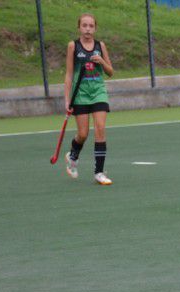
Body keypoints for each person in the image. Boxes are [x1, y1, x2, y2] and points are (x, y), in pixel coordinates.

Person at [63, 13, 114, 185]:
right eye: (84, 25)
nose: (87, 29)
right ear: (79, 27)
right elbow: (69, 75)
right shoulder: (73, 46)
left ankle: (99, 172)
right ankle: (73, 155)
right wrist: (67, 100)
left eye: (91, 26)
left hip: (98, 92)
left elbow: (110, 72)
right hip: (80, 95)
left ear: (95, 28)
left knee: (100, 128)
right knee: (83, 134)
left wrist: (101, 61)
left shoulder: (100, 46)